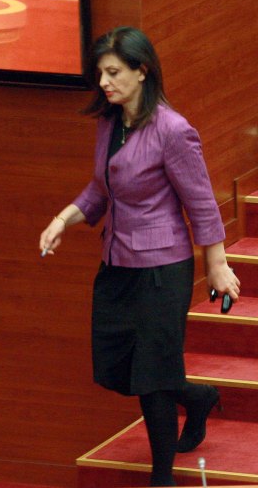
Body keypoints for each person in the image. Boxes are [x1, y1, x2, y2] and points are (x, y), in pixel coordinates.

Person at [39, 26, 240, 487]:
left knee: (151, 378)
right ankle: (197, 396)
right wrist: (62, 220)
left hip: (162, 270)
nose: (104, 82)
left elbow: (201, 202)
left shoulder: (173, 130)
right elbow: (101, 188)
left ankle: (162, 478)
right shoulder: (110, 123)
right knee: (117, 368)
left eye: (113, 73)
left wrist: (216, 264)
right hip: (118, 263)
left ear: (142, 71)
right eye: (101, 74)